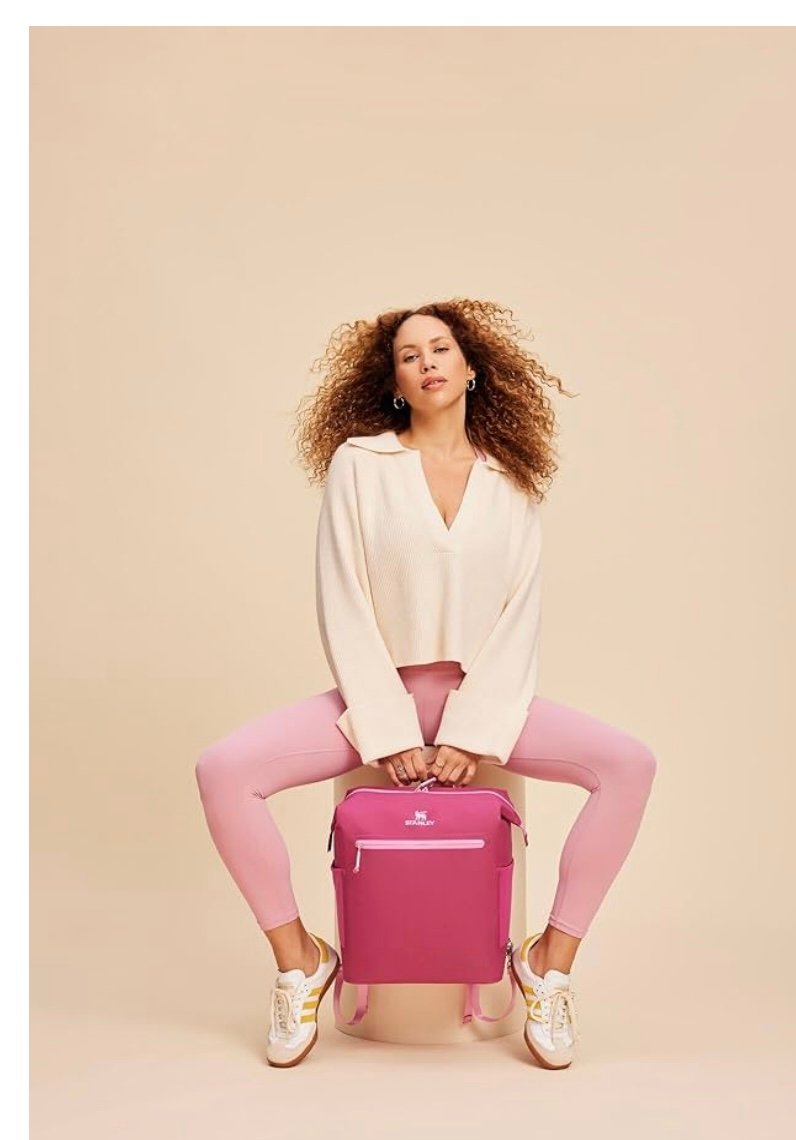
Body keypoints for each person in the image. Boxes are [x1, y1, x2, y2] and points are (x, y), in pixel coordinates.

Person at [194, 298, 658, 1071]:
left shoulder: (511, 479)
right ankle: (299, 963)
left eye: (440, 349)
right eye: (409, 356)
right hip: (381, 694)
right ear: (394, 382)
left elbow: (520, 613)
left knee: (630, 765)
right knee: (223, 770)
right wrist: (388, 728)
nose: (426, 363)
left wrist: (474, 732)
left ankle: (549, 966)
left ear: (472, 368)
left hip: (486, 697)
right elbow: (342, 599)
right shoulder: (360, 464)